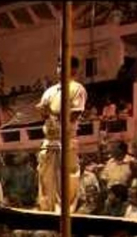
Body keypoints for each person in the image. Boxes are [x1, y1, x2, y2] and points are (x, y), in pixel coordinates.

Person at [35, 56, 87, 212]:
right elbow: (42, 115)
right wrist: (43, 112)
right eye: (58, 65)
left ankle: (64, 213)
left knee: (66, 179)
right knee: (45, 179)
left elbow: (74, 115)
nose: (60, 69)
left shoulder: (77, 89)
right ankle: (46, 210)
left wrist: (51, 112)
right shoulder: (50, 91)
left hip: (65, 140)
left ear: (74, 70)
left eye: (63, 66)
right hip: (49, 139)